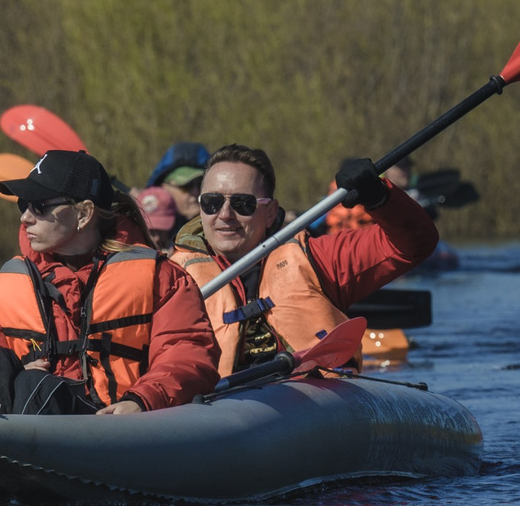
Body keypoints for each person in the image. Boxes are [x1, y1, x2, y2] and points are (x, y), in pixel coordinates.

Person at [0, 150, 221, 417]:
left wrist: (143, 399)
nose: (25, 218)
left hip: (109, 423)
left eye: (39, 206)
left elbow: (186, 352)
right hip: (26, 420)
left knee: (37, 386)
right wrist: (16, 373)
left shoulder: (161, 278)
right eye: (24, 205)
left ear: (84, 214)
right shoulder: (5, 287)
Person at [170, 144, 435, 373]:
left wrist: (380, 198)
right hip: (217, 408)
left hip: (309, 402)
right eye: (212, 202)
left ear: (271, 212)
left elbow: (413, 244)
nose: (225, 214)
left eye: (243, 204)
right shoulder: (170, 277)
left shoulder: (318, 259)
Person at [323, 162, 410, 233]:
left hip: (337, 239)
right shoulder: (369, 191)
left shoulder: (330, 197)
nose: (405, 172)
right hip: (362, 239)